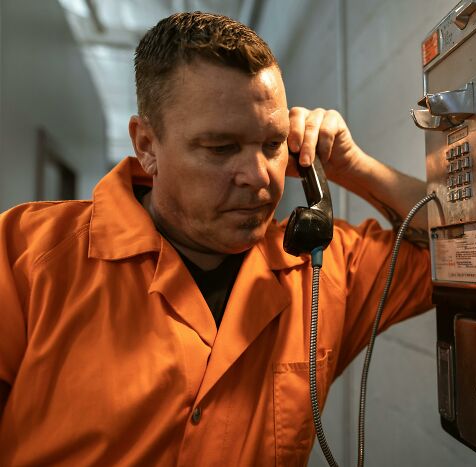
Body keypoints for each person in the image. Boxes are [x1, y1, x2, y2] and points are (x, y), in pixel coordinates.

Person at [0, 12, 432, 466]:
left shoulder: (324, 268)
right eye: (221, 148)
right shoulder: (25, 255)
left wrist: (353, 168)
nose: (260, 177)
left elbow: (472, 248)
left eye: (272, 143)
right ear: (147, 145)